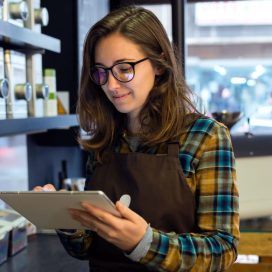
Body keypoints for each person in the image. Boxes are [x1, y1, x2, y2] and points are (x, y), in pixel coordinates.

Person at [34, 6, 239, 272]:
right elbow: (86, 249)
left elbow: (222, 249)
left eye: (124, 68)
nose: (111, 85)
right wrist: (67, 219)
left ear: (158, 64)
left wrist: (145, 243)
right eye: (101, 72)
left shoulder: (206, 137)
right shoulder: (105, 140)